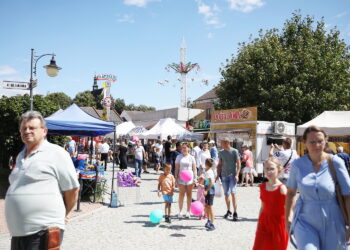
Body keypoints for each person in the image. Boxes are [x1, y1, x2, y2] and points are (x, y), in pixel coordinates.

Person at [5, 111, 80, 249]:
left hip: (42, 232)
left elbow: (73, 189)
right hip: (18, 233)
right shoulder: (21, 155)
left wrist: (63, 214)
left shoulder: (56, 153)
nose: (27, 131)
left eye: (32, 128)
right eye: (23, 128)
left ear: (44, 131)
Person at [285, 125, 350, 249]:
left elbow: (348, 195)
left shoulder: (336, 162)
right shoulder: (297, 165)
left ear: (326, 141)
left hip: (333, 220)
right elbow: (291, 193)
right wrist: (288, 217)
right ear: (305, 143)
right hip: (304, 220)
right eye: (312, 141)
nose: (316, 145)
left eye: (320, 141)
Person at [253, 157, 288, 250]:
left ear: (279, 169)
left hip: (278, 225)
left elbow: (289, 209)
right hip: (264, 222)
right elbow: (263, 207)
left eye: (272, 168)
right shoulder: (263, 187)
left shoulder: (282, 189)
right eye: (266, 169)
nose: (269, 171)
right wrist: (258, 224)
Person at [217, 137, 241, 221]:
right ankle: (228, 210)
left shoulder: (234, 151)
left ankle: (235, 212)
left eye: (222, 143)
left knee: (233, 193)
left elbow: (238, 164)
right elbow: (219, 164)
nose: (220, 144)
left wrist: (237, 175)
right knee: (226, 194)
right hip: (224, 175)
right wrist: (217, 174)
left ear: (227, 143)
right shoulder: (221, 152)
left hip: (232, 175)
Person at [175, 143, 197, 218]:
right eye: (182, 147)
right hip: (181, 177)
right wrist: (175, 178)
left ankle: (188, 211)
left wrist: (195, 178)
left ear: (188, 149)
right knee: (181, 194)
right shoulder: (178, 157)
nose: (183, 149)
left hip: (190, 178)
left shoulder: (191, 157)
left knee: (189, 194)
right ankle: (180, 212)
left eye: (185, 147)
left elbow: (194, 169)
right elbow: (176, 168)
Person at [204, 158, 216, 231]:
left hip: (210, 191)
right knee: (207, 206)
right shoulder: (209, 171)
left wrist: (206, 190)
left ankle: (212, 223)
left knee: (210, 207)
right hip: (208, 190)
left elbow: (211, 183)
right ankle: (208, 220)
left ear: (206, 164)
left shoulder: (209, 172)